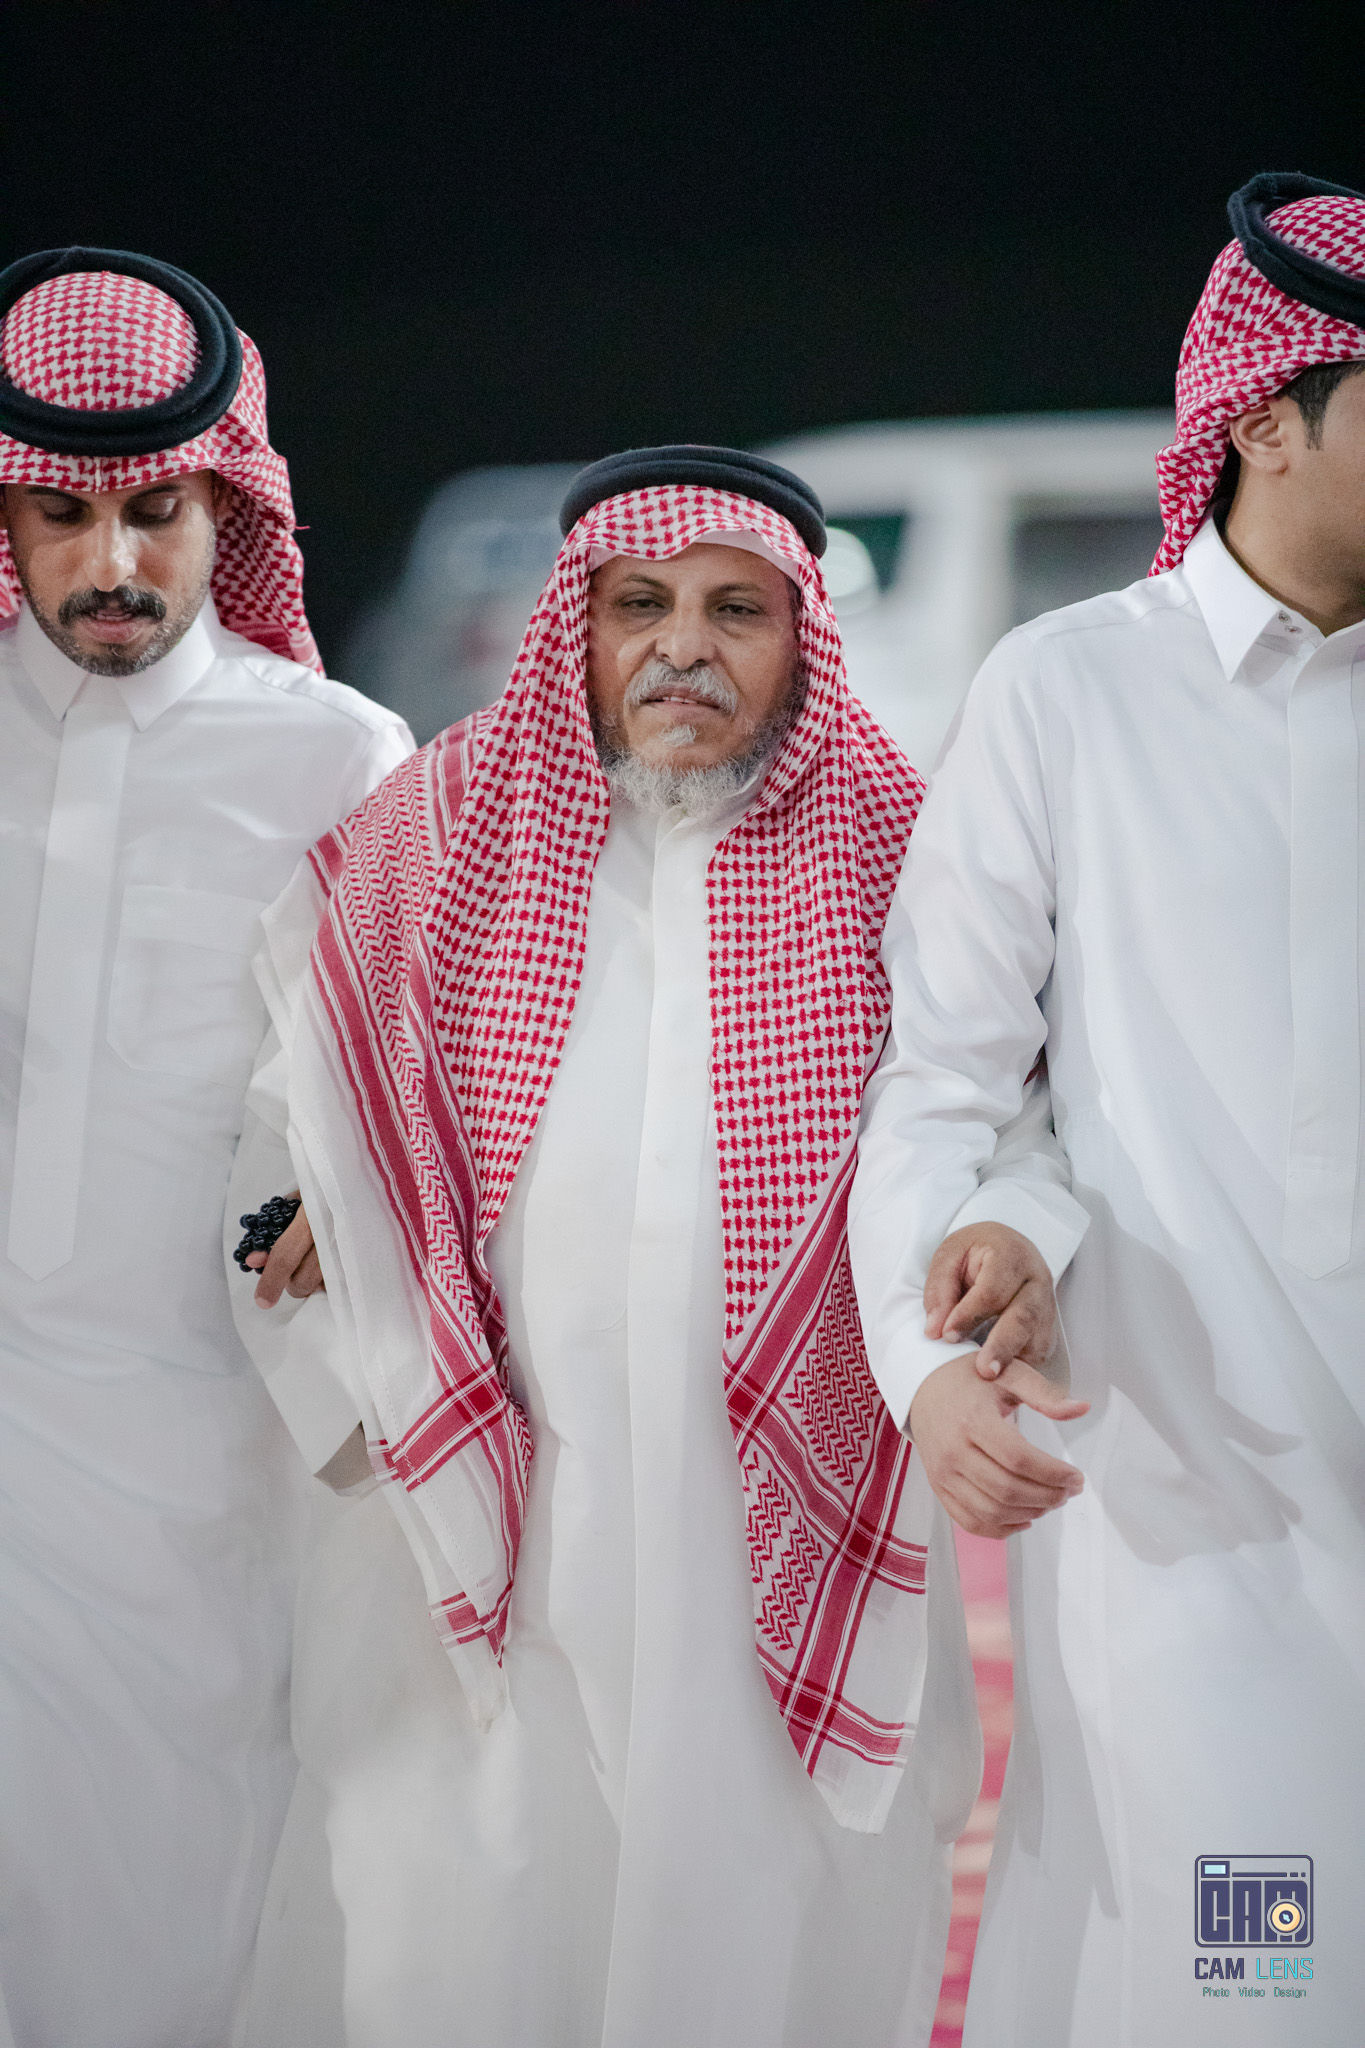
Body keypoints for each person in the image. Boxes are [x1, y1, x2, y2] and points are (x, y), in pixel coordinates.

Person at [229, 446, 1087, 2048]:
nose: (681, 648)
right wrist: (327, 1204)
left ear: (799, 636)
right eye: (640, 605)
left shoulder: (897, 848)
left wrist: (1008, 1226)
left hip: (775, 1514)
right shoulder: (440, 834)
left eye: (733, 611)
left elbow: (1011, 1119)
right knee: (477, 1918)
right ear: (579, 627)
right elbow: (303, 1085)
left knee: (760, 1931)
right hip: (500, 1505)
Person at [849, 173, 1365, 2045]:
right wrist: (929, 1368)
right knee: (1254, 1992)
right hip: (1197, 1530)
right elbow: (946, 1082)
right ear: (1264, 419)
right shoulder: (1068, 697)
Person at [0, 248, 412, 2048]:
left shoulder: (337, 760)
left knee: (192, 1880)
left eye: (157, 512)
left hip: (216, 1447)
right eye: (62, 513)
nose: (112, 561)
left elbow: (410, 1086)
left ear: (225, 506)